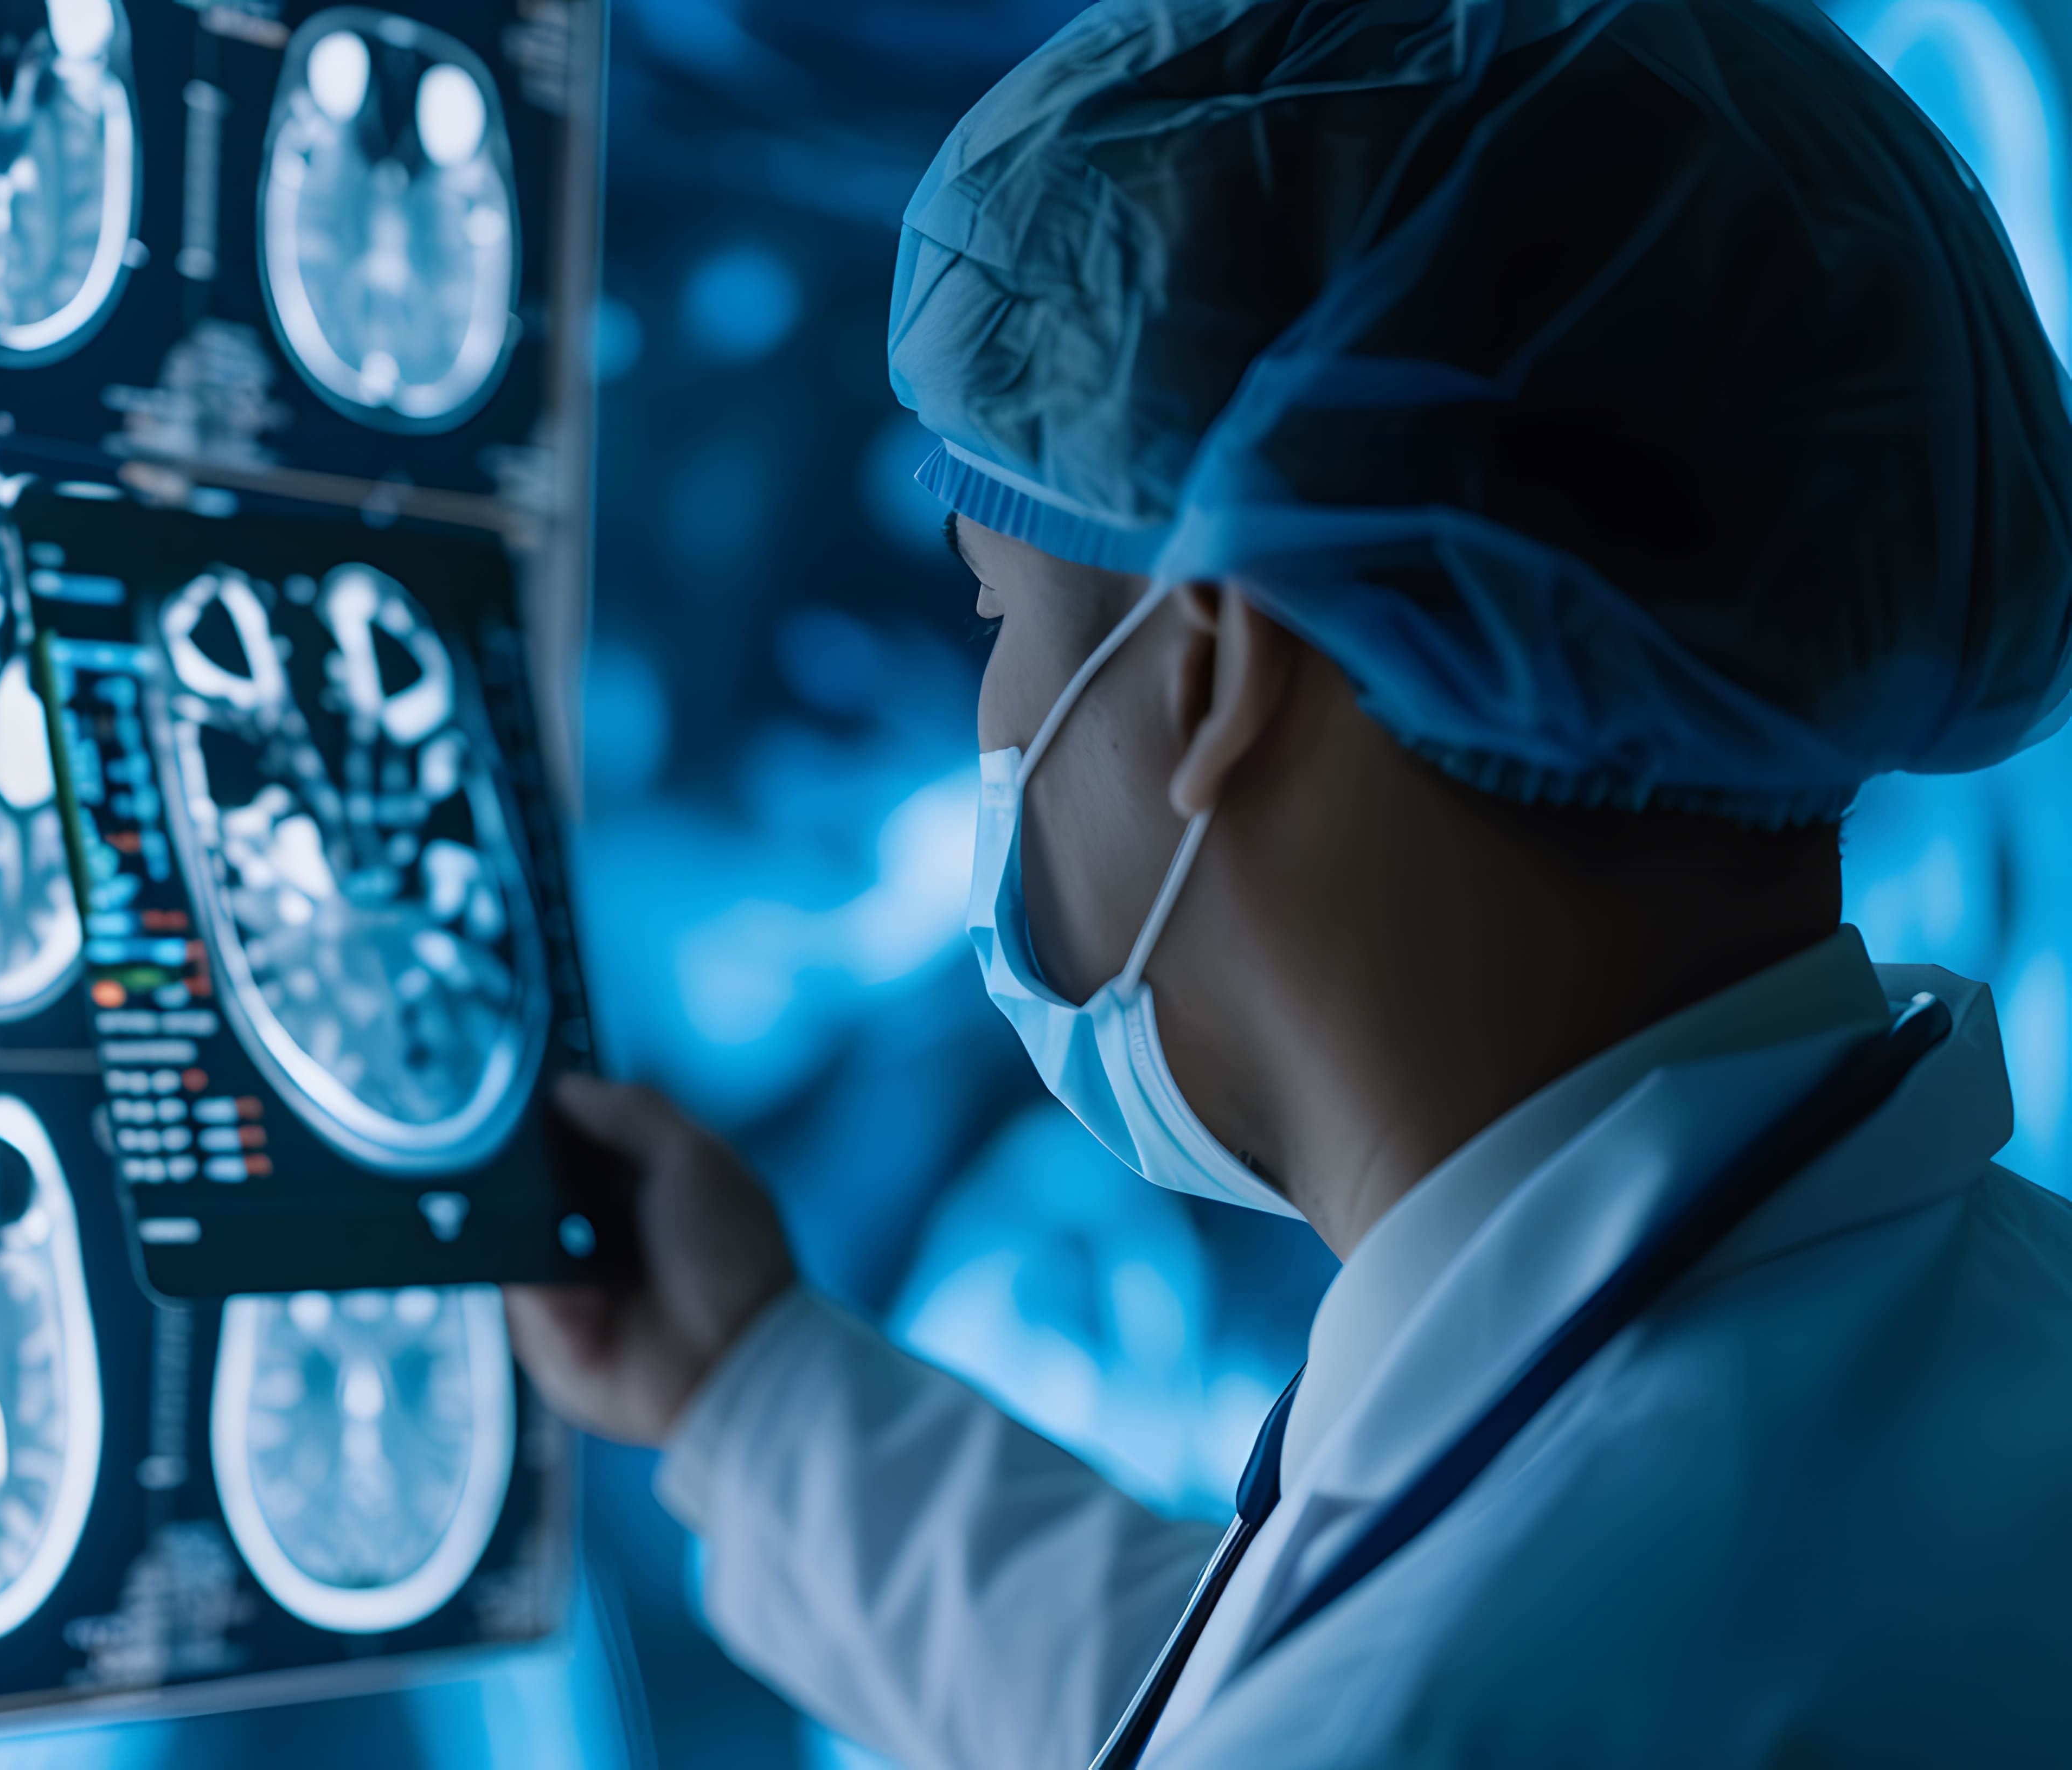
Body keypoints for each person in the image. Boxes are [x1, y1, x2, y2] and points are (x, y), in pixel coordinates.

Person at [508, 0, 2072, 1763]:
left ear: (1214, 668)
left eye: (994, 615)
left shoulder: (1443, 1691)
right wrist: (754, 1386)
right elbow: (1282, 1658)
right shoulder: (1955, 1335)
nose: (987, 718)